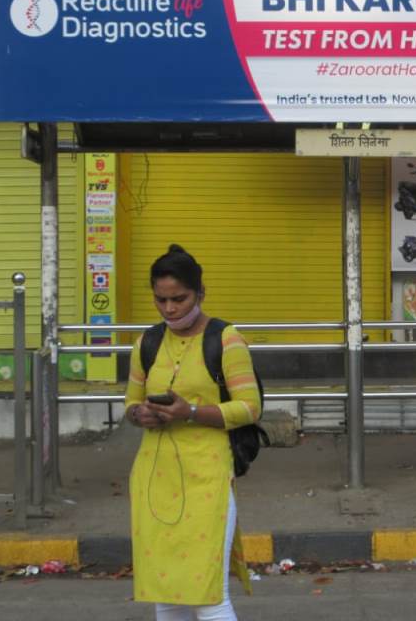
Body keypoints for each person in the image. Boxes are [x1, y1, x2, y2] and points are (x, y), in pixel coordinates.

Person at [125, 244, 261, 620]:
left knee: (209, 595)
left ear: (201, 293)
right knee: (166, 594)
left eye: (179, 299)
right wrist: (141, 414)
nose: (169, 309)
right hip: (155, 478)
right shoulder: (146, 343)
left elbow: (250, 407)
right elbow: (130, 403)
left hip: (208, 478)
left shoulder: (227, 339)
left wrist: (192, 412)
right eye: (161, 300)